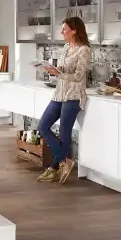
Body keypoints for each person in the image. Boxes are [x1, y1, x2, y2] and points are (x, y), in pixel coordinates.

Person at [36, 17, 91, 184]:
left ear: (74, 31)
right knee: (43, 126)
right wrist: (55, 69)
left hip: (73, 96)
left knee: (65, 134)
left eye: (65, 30)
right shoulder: (66, 47)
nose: (62, 33)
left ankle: (53, 169)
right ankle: (63, 161)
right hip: (59, 93)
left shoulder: (84, 50)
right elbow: (64, 69)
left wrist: (58, 74)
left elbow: (79, 76)